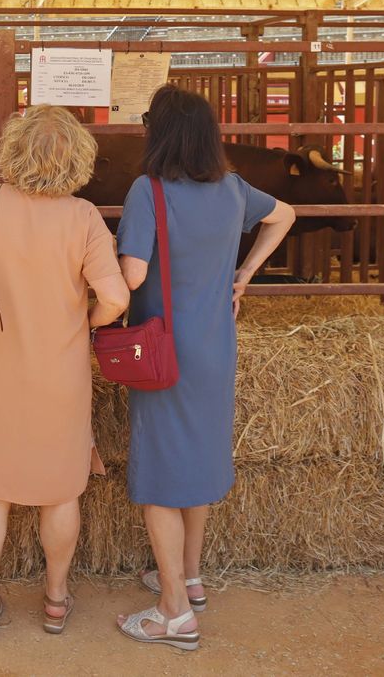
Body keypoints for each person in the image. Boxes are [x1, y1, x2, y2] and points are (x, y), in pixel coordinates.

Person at [112, 86, 296, 650]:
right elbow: (285, 214)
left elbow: (134, 276)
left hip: (165, 349)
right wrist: (245, 274)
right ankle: (189, 579)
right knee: (196, 460)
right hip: (216, 345)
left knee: (162, 478)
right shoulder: (234, 189)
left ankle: (173, 613)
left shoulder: (149, 191)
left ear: (160, 131)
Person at [0, 105, 131, 642]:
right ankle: (54, 600)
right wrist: (85, 323)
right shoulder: (84, 217)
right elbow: (116, 297)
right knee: (61, 492)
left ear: (13, 149)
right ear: (78, 158)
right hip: (61, 375)